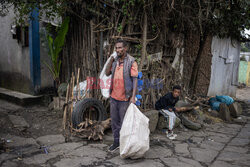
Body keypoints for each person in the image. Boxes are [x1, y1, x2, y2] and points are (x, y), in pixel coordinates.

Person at [105, 39, 138, 152]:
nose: (118, 50)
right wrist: (111, 58)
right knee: (114, 121)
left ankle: (126, 143)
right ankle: (116, 142)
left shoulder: (131, 61)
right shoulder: (115, 61)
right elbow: (106, 73)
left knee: (124, 122)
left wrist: (133, 97)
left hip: (125, 98)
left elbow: (135, 80)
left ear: (125, 48)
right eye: (116, 48)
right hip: (114, 97)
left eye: (120, 47)